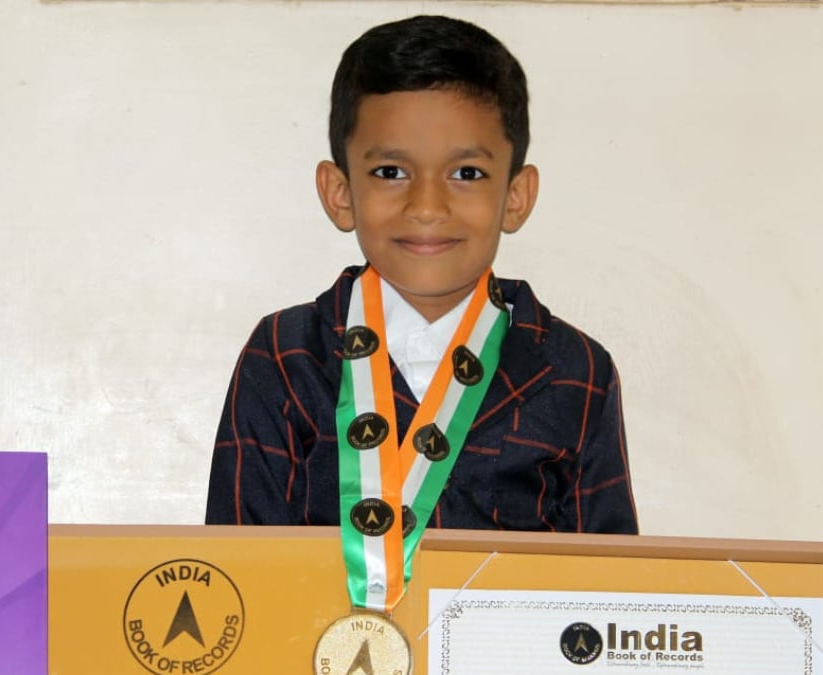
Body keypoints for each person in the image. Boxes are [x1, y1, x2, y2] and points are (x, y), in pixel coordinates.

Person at [205, 15, 637, 535]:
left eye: (466, 174)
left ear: (516, 197)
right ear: (340, 194)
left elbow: (607, 593)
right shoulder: (283, 355)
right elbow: (239, 572)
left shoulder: (576, 371)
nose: (427, 206)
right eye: (391, 172)